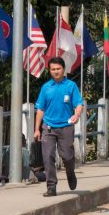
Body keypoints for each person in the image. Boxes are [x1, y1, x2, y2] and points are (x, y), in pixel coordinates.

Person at [34, 57, 84, 197]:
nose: (56, 71)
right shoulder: (46, 88)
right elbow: (40, 110)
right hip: (48, 127)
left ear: (63, 69)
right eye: (53, 69)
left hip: (66, 126)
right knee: (48, 157)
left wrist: (77, 115)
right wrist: (37, 129)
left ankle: (70, 173)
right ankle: (51, 187)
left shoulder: (71, 86)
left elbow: (79, 104)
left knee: (67, 156)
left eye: (58, 69)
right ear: (50, 71)